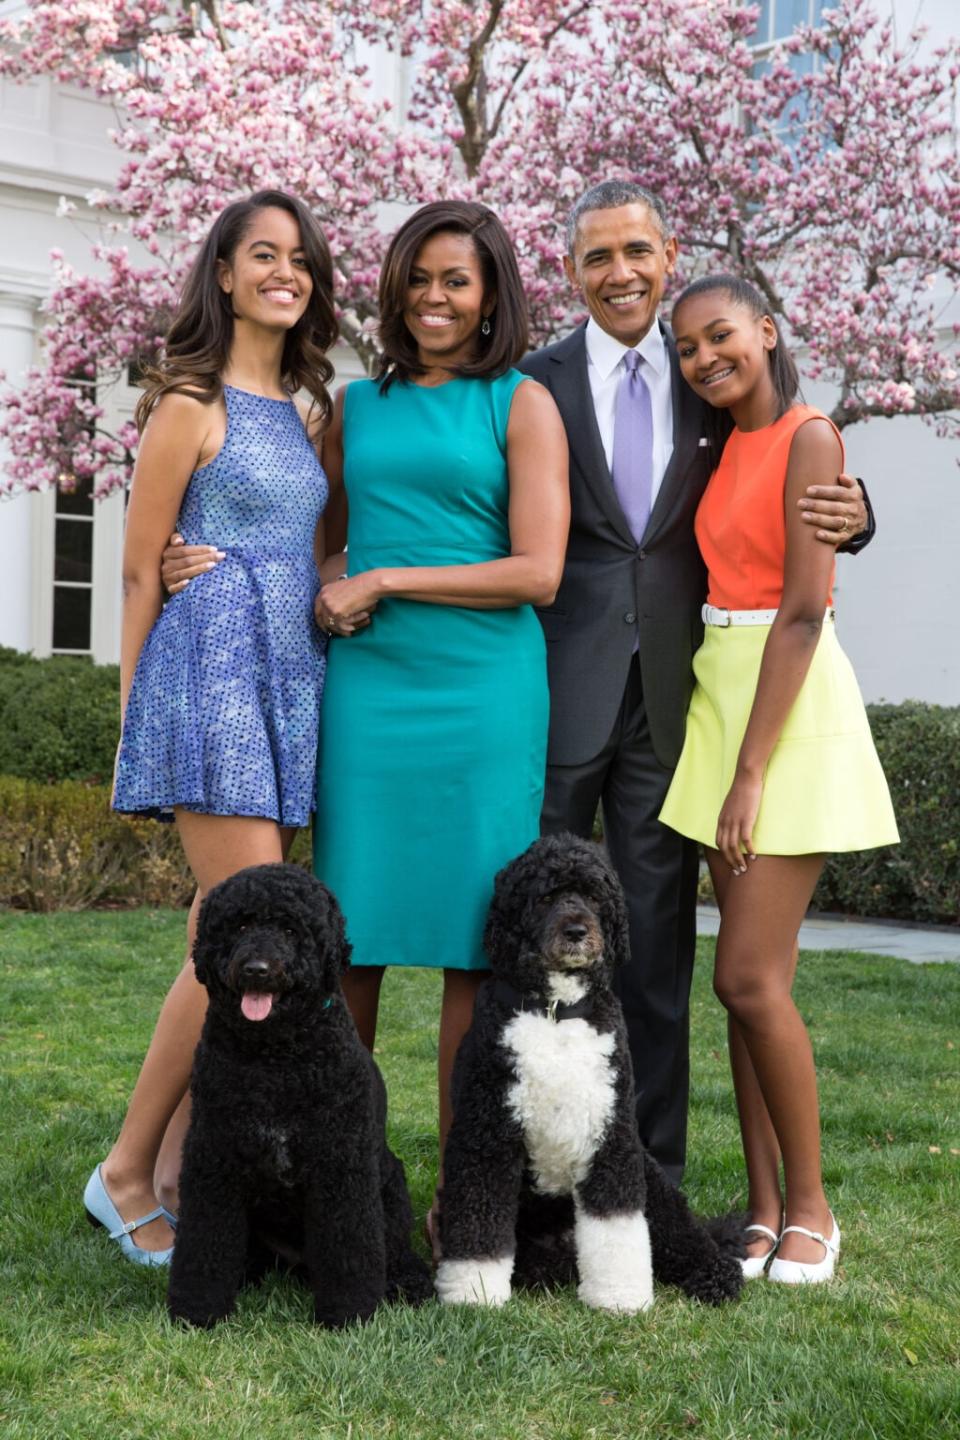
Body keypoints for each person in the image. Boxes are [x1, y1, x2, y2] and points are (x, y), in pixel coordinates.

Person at [519, 180, 873, 1185]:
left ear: (669, 256)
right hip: (558, 689)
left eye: (636, 251)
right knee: (532, 938)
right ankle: (537, 1167)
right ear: (573, 272)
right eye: (596, 257)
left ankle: (651, 1179)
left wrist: (858, 510)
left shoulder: (708, 369)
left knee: (658, 951)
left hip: (681, 705)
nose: (619, 273)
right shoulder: (534, 383)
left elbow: (789, 469)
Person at [84, 190, 337, 1263]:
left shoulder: (314, 408)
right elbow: (142, 565)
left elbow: (311, 545)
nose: (284, 272)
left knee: (218, 930)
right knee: (236, 924)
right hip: (210, 671)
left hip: (291, 673)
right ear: (224, 274)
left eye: (300, 258)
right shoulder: (187, 401)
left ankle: (180, 1168)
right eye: (261, 255)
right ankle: (128, 1171)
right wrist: (137, 710)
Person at [312, 201, 569, 1249]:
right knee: (347, 942)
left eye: (456, 280)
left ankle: (463, 1206)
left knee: (476, 949)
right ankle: (340, 1198)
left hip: (482, 694)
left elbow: (538, 572)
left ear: (492, 292)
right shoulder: (353, 406)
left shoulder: (523, 403)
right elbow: (320, 546)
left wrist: (388, 576)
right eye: (418, 277)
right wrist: (334, 579)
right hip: (371, 694)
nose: (433, 297)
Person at [659, 274, 897, 1281]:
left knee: (745, 977)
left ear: (767, 328)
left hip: (783, 706)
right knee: (749, 989)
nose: (705, 358)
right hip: (720, 690)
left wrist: (750, 773)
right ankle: (760, 1211)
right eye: (686, 349)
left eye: (721, 337)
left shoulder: (811, 434)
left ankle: (812, 1209)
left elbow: (803, 610)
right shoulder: (718, 443)